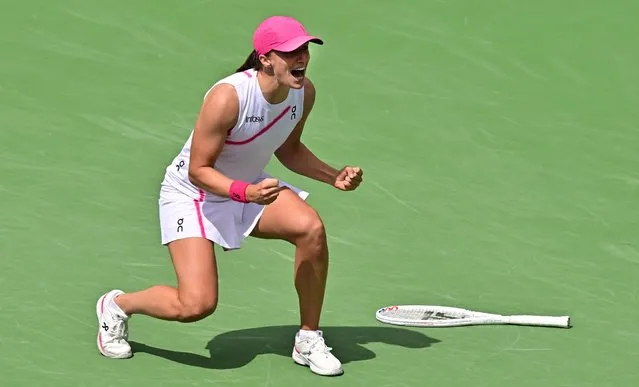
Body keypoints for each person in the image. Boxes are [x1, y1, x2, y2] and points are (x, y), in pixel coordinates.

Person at [95, 15, 363, 377]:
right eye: (290, 52)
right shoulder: (228, 97)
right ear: (265, 58)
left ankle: (308, 337)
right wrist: (245, 191)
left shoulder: (303, 93)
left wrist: (334, 176)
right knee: (196, 305)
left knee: (310, 229)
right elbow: (199, 169)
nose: (300, 58)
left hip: (248, 187)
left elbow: (290, 150)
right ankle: (117, 305)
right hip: (193, 195)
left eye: (303, 50)